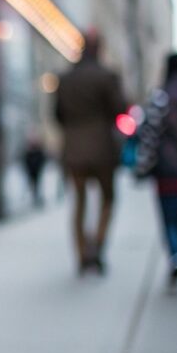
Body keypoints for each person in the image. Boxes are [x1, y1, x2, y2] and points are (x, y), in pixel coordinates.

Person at [54, 31, 126, 273]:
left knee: (80, 202)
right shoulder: (107, 76)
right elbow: (120, 108)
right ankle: (98, 245)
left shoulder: (65, 78)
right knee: (108, 199)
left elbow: (57, 115)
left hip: (74, 149)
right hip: (102, 148)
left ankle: (83, 252)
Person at [136, 53, 177, 287]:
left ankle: (176, 256)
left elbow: (150, 137)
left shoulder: (161, 98)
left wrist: (142, 168)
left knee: (172, 223)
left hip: (170, 175)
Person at [20, 129, 47, 207]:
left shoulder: (38, 151)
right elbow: (26, 161)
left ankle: (37, 197)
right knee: (33, 184)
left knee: (37, 184)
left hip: (36, 170)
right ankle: (35, 197)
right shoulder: (29, 152)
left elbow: (42, 159)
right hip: (31, 171)